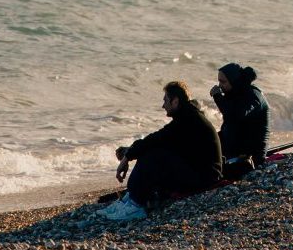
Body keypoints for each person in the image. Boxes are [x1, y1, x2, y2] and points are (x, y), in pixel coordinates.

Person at [106, 81, 221, 220]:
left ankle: (135, 205)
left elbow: (157, 138)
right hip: (199, 171)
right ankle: (131, 199)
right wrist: (130, 154)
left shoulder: (188, 120)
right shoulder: (188, 115)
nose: (163, 105)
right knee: (153, 151)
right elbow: (157, 139)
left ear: (175, 101)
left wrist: (127, 157)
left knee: (153, 155)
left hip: (204, 178)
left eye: (166, 100)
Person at [211, 62, 269, 179]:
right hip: (233, 145)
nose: (219, 86)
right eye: (219, 81)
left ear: (234, 81)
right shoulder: (234, 93)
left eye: (223, 82)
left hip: (250, 154)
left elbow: (235, 116)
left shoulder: (254, 96)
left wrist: (218, 97)